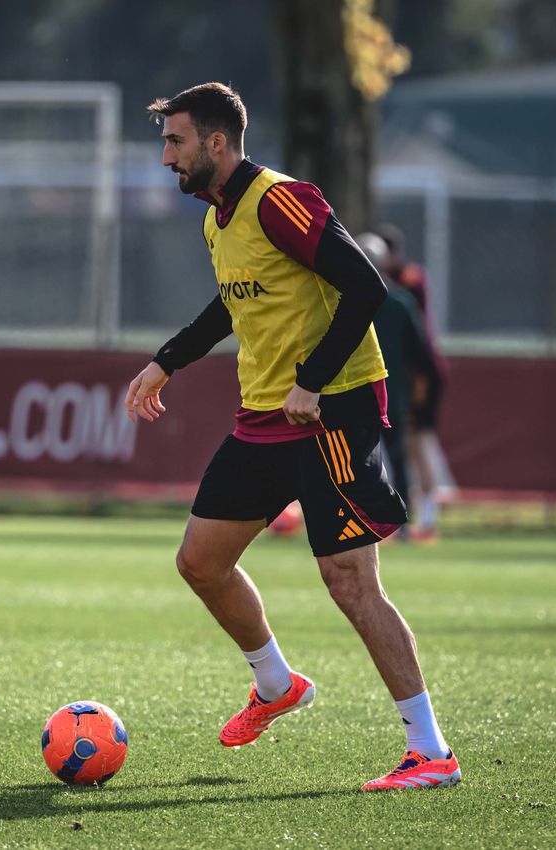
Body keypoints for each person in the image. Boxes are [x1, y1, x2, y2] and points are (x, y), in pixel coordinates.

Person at [126, 82, 459, 791]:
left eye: (175, 141)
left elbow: (366, 287)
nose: (166, 158)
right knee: (200, 563)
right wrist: (167, 360)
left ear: (217, 143)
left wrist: (311, 378)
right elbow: (232, 303)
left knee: (350, 583)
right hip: (267, 416)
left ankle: (431, 751)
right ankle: (275, 684)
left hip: (330, 410)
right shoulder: (219, 219)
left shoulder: (281, 199)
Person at [356, 231, 438, 529]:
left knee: (354, 460)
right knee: (397, 458)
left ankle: (357, 521)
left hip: (354, 394)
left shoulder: (341, 299)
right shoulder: (401, 303)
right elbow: (421, 357)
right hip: (392, 395)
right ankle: (401, 522)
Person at [375, 223, 449, 542]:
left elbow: (419, 350)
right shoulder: (400, 292)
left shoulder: (406, 285)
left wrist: (416, 393)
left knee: (417, 443)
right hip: (405, 378)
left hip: (414, 376)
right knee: (406, 448)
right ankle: (409, 519)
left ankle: (425, 517)